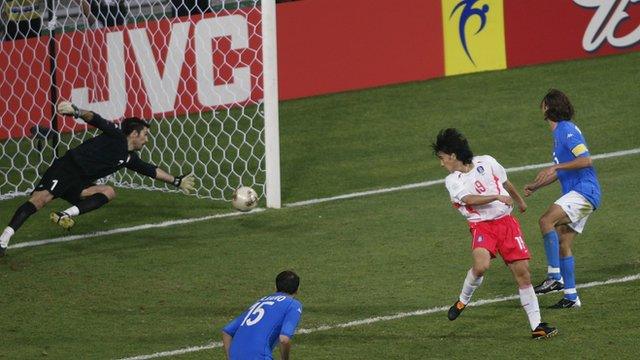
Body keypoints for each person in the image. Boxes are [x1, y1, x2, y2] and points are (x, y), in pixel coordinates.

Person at [0, 101, 195, 256]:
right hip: (66, 169)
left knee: (108, 191)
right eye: (145, 134)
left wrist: (176, 181)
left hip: (79, 183)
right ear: (134, 133)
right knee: (39, 200)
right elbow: (95, 119)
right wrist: (77, 111)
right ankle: (4, 239)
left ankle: (65, 215)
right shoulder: (116, 136)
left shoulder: (128, 157)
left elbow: (150, 170)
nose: (147, 139)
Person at [431, 128, 557, 339]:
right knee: (481, 266)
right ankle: (463, 300)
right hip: (482, 226)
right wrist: (496, 197)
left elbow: (506, 182)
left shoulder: (487, 161)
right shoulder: (453, 180)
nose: (441, 163)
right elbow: (469, 199)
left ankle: (537, 327)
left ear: (453, 155)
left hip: (506, 224)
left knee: (524, 275)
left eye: (442, 158)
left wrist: (520, 201)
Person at [524, 89, 601, 308]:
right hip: (579, 192)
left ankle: (554, 278)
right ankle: (571, 297)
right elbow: (562, 171)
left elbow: (585, 160)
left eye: (544, 104)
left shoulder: (566, 130)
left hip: (584, 191)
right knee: (563, 241)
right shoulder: (559, 133)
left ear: (548, 107)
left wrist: (556, 165)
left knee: (545, 221)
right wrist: (537, 186)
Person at [222, 270, 303, 359]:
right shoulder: (293, 304)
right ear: (297, 289)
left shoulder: (262, 301)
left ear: (275, 287)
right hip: (258, 356)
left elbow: (227, 331)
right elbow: (284, 339)